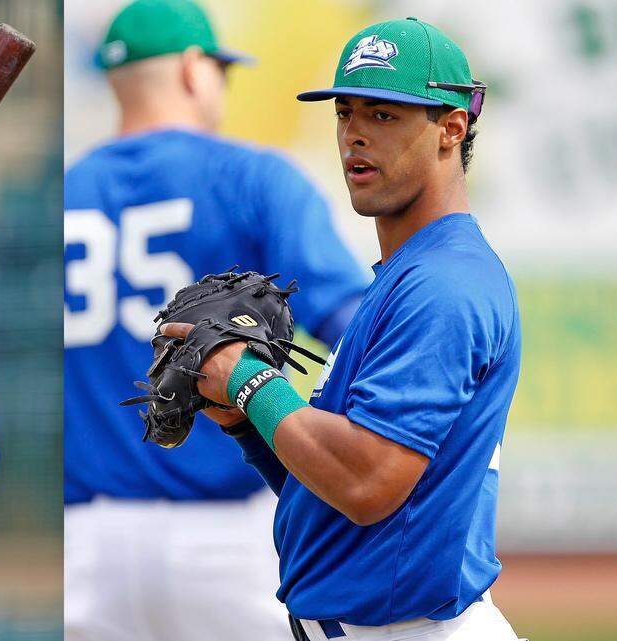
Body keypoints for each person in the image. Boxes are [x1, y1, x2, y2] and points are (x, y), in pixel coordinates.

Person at [158, 17, 524, 641]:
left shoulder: (443, 285)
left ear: (451, 129)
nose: (355, 134)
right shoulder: (407, 274)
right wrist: (250, 424)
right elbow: (333, 494)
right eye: (346, 112)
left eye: (384, 115)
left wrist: (249, 383)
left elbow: (367, 483)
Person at [63, 1, 368, 639]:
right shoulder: (253, 177)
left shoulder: (66, 189)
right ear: (196, 70)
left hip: (83, 547)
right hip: (230, 537)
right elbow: (358, 325)